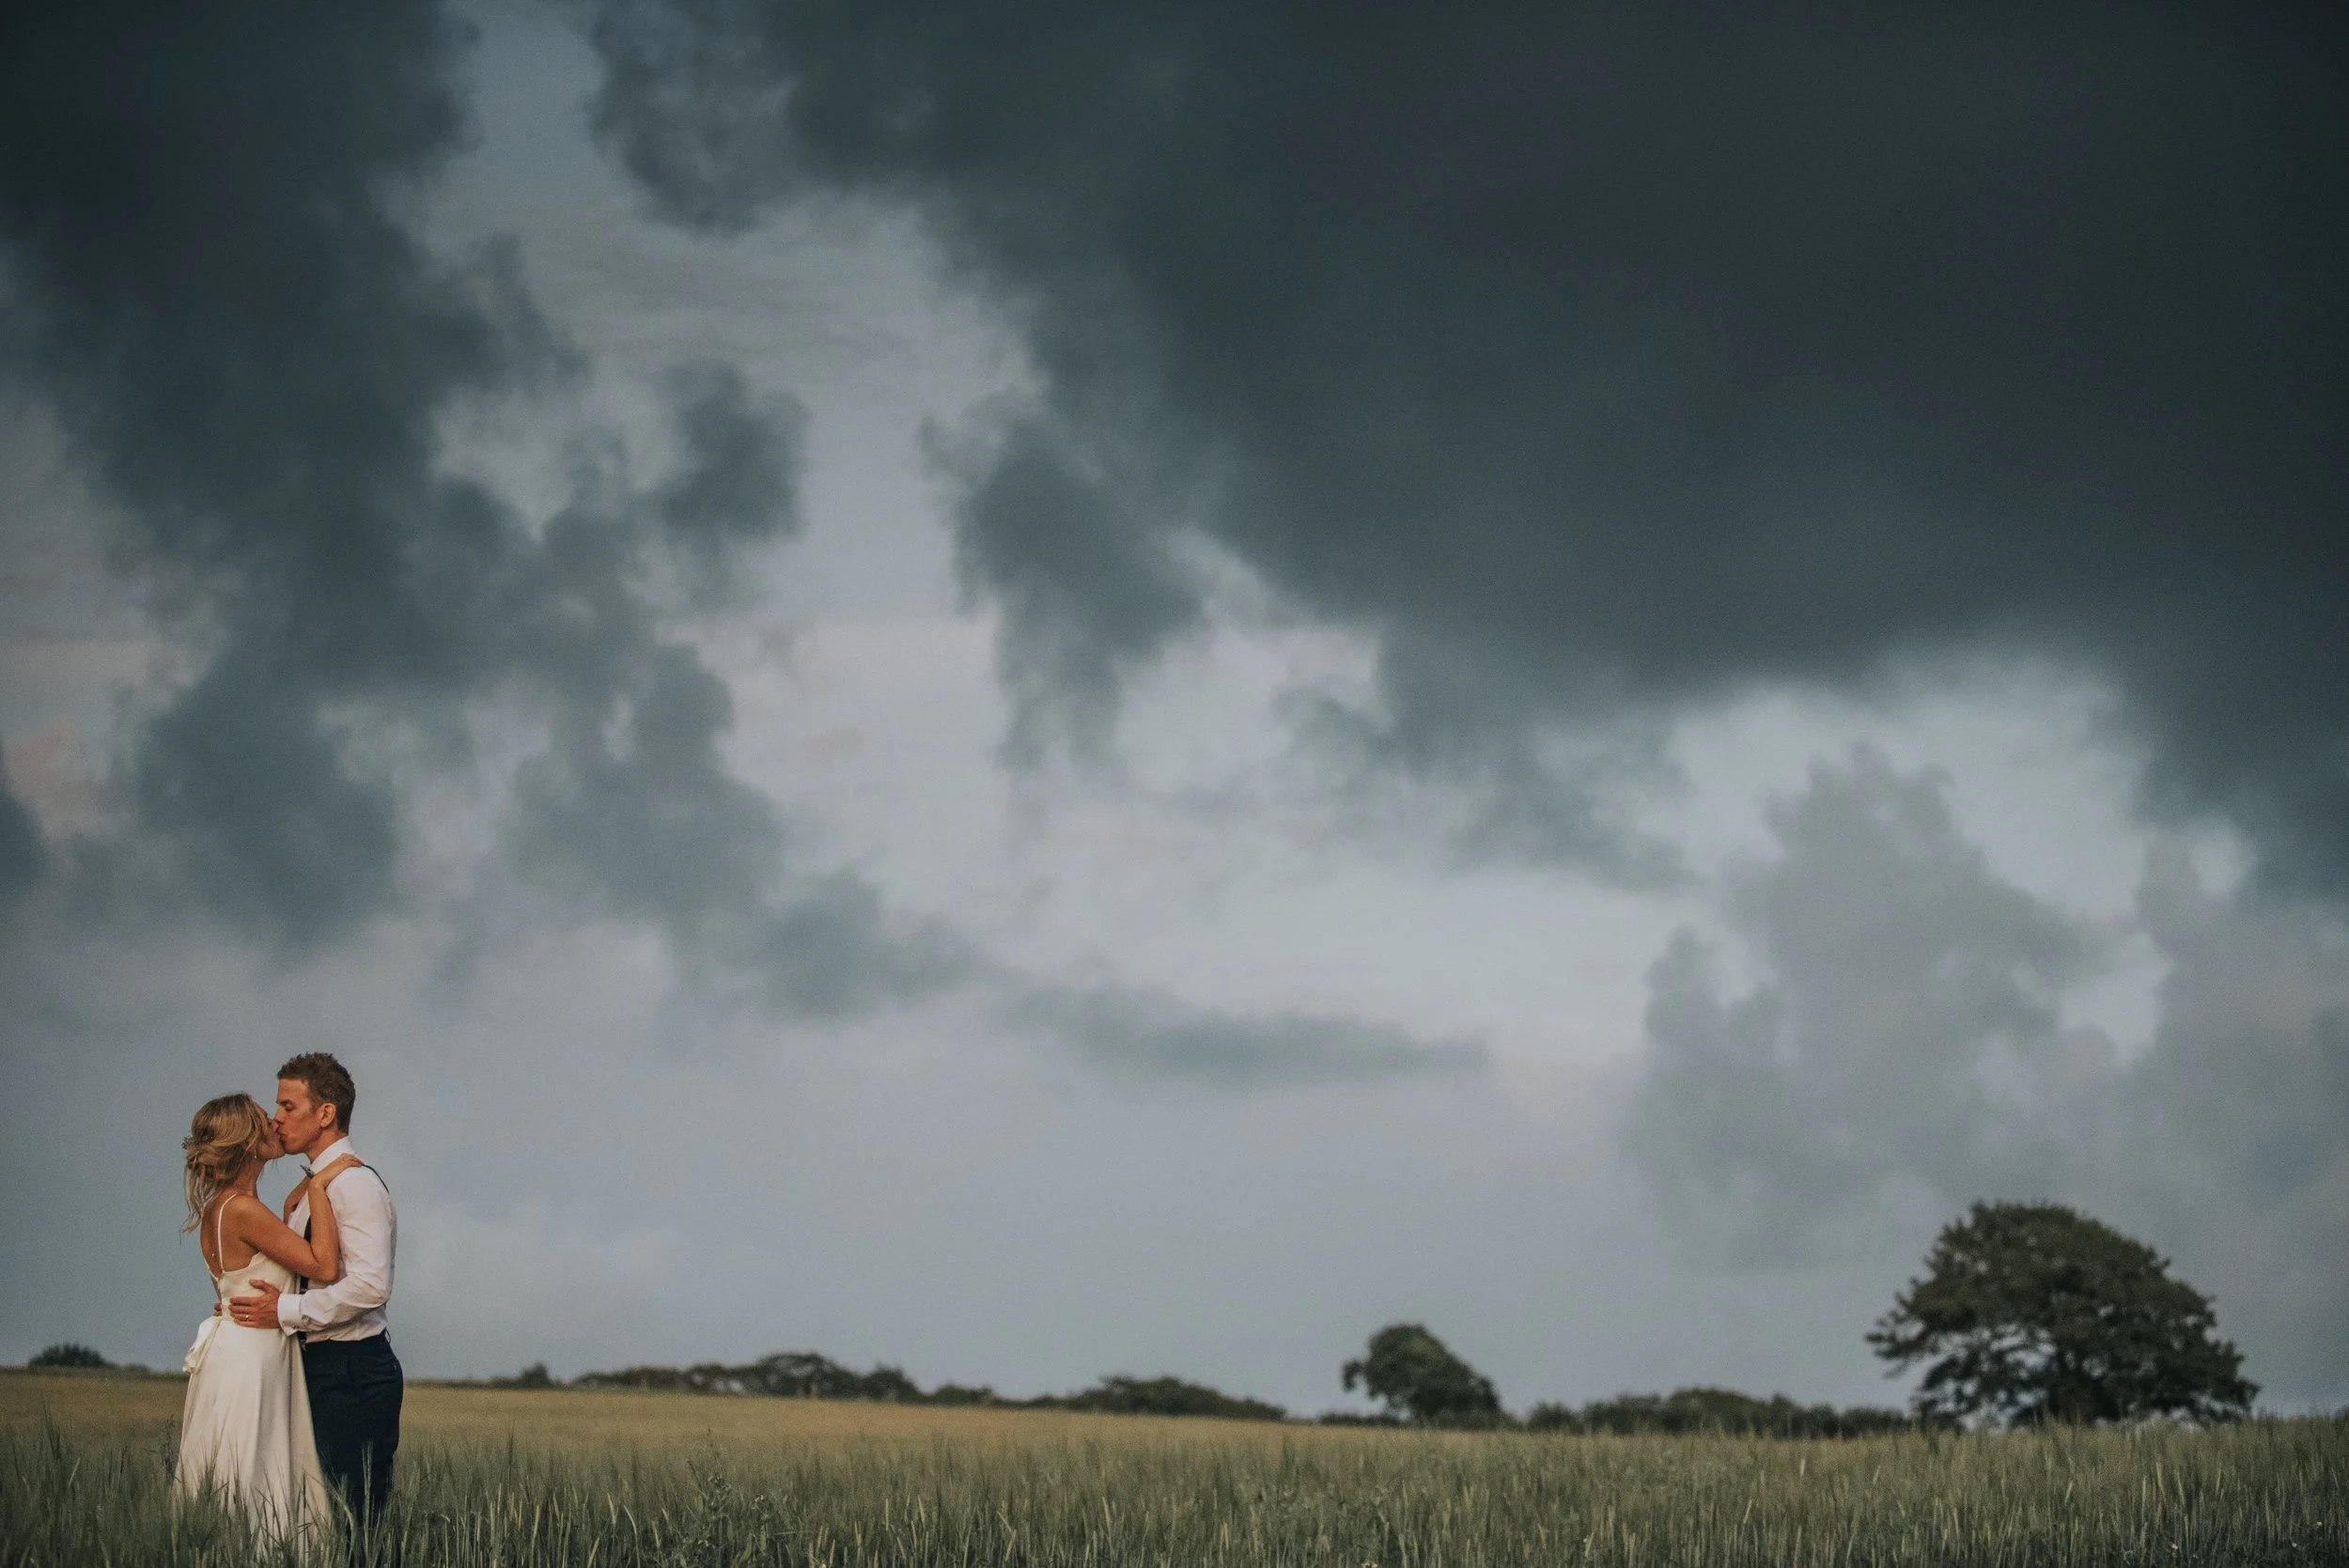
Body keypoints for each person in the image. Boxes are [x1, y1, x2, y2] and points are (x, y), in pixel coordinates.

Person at [226, 1053, 402, 1527]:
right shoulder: (310, 1190)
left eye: (288, 1106)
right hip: (313, 1368)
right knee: (312, 1522)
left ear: (325, 1114)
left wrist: (284, 1309)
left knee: (356, 1521)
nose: (277, 1118)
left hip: (353, 1372)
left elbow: (370, 1287)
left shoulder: (355, 1185)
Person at [175, 1092, 356, 1545]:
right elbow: (325, 1268)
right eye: (262, 1119)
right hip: (253, 1359)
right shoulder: (240, 1208)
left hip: (239, 1348)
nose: (275, 1124)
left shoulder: (225, 1206)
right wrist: (318, 1188)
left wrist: (301, 1194)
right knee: (254, 1473)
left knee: (239, 1470)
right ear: (245, 1141)